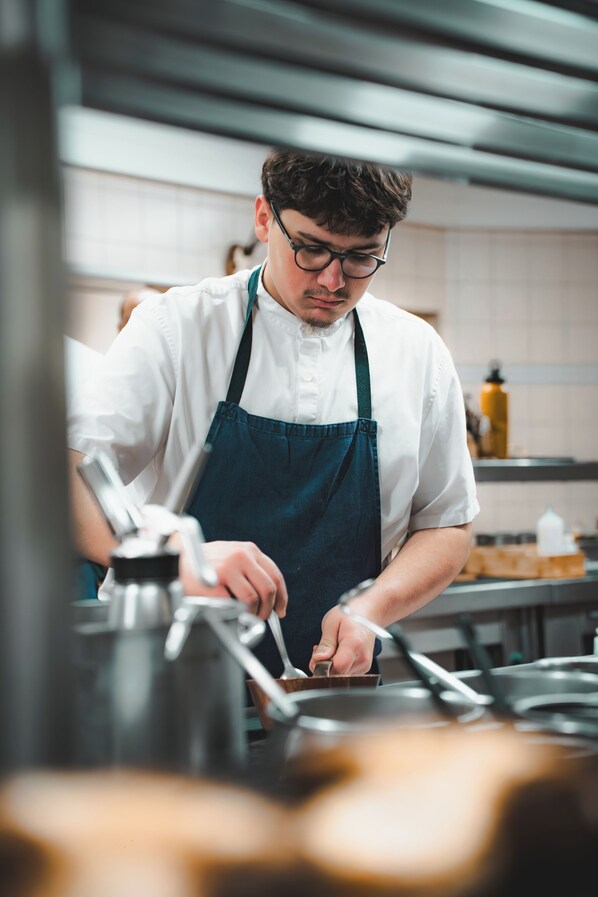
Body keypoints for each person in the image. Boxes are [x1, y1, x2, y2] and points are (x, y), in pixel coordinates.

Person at [68, 150, 479, 679]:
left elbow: (448, 524)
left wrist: (371, 610)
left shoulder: (417, 352)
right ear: (264, 218)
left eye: (361, 257)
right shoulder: (176, 328)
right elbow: (64, 479)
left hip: (331, 696)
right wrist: (171, 562)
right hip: (164, 691)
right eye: (310, 250)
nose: (333, 281)